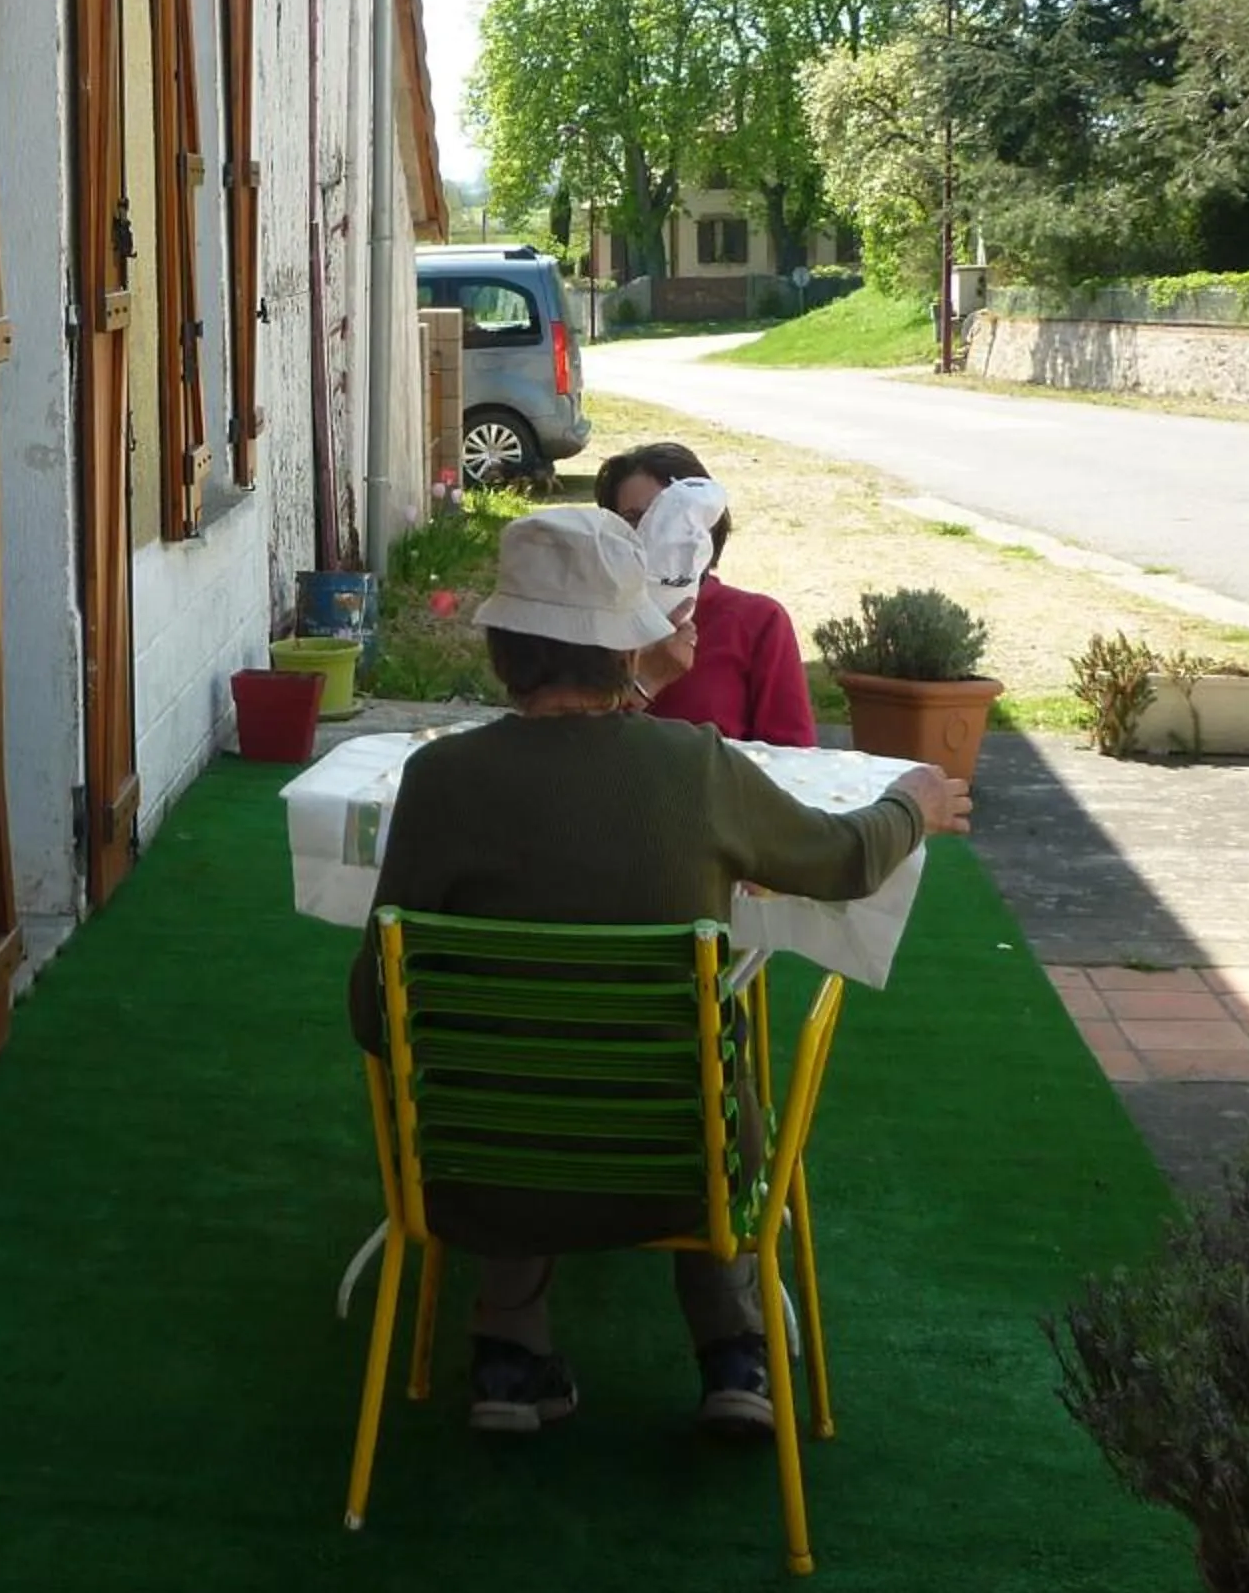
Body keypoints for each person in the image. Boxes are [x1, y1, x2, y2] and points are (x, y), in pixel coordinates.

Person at [347, 506, 969, 1435]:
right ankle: (734, 1355)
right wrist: (909, 803)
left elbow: (372, 1013)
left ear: (501, 652)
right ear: (627, 650)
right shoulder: (696, 768)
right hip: (686, 1175)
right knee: (703, 1069)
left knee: (527, 1057)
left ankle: (509, 1357)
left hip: (474, 1172)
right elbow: (842, 861)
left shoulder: (439, 782)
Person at [598, 440, 817, 748]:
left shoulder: (757, 621)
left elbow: (794, 759)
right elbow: (566, 746)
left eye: (672, 516)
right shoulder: (588, 618)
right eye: (635, 518)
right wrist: (646, 681)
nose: (656, 532)